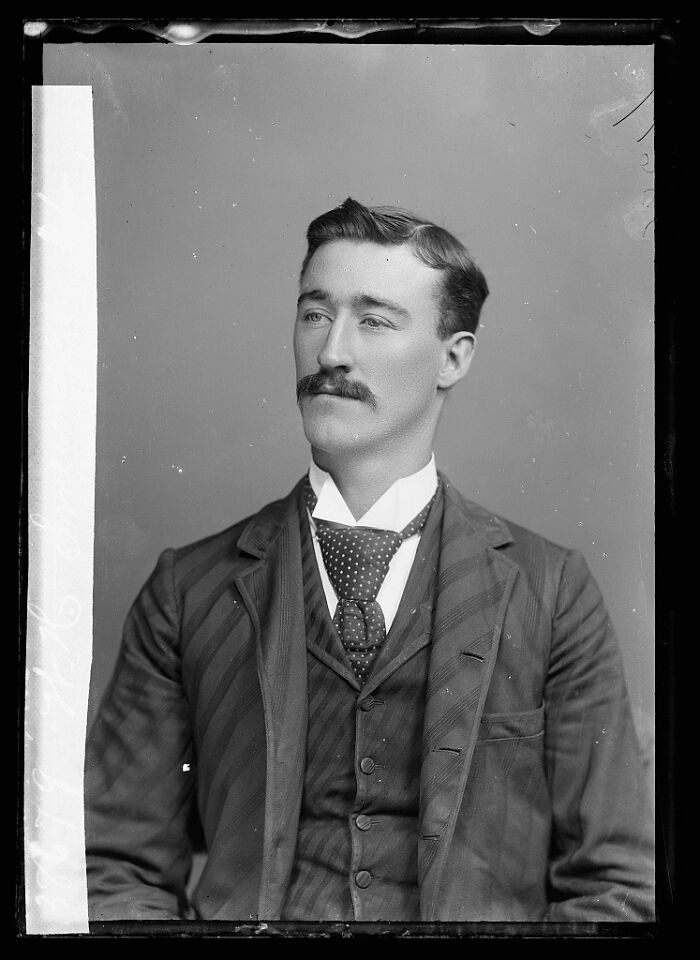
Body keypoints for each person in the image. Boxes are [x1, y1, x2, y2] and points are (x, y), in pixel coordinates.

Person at [85, 197, 654, 923]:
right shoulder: (189, 590)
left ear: (454, 357)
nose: (330, 352)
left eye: (375, 320)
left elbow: (617, 885)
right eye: (315, 313)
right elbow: (114, 867)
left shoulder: (550, 590)